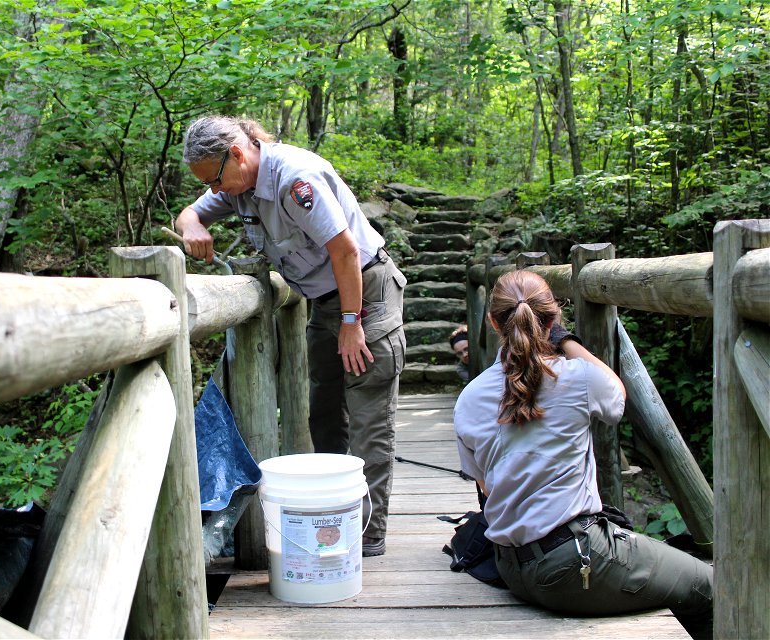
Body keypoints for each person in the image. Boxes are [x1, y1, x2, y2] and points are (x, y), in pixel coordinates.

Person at [175, 115, 407, 557]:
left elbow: (345, 250)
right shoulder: (237, 182)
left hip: (365, 293)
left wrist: (352, 322)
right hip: (322, 301)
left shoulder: (295, 180)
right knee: (323, 414)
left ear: (237, 154)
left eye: (216, 179)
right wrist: (191, 225)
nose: (216, 190)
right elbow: (193, 210)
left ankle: (367, 535)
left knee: (367, 419)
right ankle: (332, 512)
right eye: (210, 183)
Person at [453, 270, 713, 637]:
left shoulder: (469, 399)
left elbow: (486, 488)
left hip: (515, 568)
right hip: (575, 565)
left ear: (494, 322)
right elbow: (616, 395)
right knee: (714, 587)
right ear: (554, 317)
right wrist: (566, 341)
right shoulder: (576, 378)